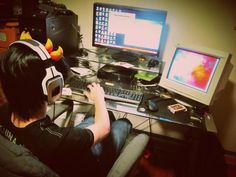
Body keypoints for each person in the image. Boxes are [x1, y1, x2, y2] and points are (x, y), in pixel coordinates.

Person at [0, 39, 132, 177]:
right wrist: (99, 97)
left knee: (104, 116)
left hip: (58, 154)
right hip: (86, 165)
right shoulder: (57, 140)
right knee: (123, 123)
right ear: (52, 86)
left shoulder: (3, 112)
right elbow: (104, 129)